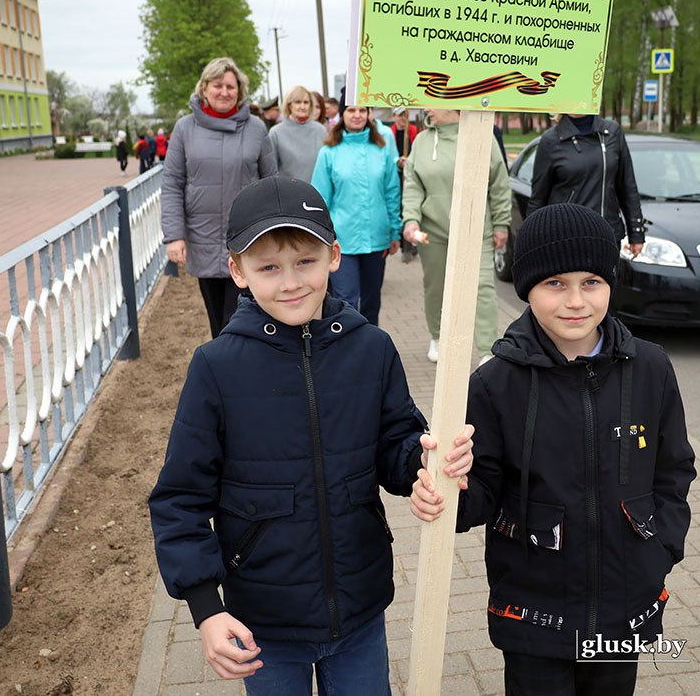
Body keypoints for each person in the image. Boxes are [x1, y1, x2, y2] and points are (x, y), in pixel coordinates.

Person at [149, 175, 475, 695]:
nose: (290, 282)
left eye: (306, 261)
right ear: (236, 271)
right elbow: (180, 498)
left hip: (360, 608)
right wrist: (207, 610)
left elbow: (396, 443)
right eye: (269, 268)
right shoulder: (216, 367)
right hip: (264, 622)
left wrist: (423, 461)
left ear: (334, 256)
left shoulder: (372, 348)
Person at [411, 203, 695, 696]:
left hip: (625, 601)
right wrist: (447, 489)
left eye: (591, 282)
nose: (576, 301)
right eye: (555, 284)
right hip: (533, 611)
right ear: (527, 289)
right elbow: (478, 494)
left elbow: (674, 469)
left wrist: (661, 547)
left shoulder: (650, 368)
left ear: (611, 283)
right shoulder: (494, 383)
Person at [161, 57, 276, 338]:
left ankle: (247, 370)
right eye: (217, 85)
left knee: (244, 316)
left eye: (231, 86)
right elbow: (172, 183)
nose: (224, 92)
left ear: (240, 91)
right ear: (204, 88)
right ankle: (227, 374)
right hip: (204, 239)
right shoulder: (185, 129)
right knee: (218, 322)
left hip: (248, 239)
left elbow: (272, 183)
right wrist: (174, 235)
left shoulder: (256, 128)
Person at [402, 108, 510, 364]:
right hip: (433, 230)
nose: (426, 108)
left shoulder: (482, 135)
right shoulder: (422, 141)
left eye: (432, 101)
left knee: (482, 288)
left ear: (451, 103)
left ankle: (486, 350)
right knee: (436, 286)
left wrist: (502, 223)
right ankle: (438, 337)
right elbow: (413, 184)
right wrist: (411, 219)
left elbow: (498, 182)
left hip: (476, 227)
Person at [311, 92, 401, 327]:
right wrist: (324, 237)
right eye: (351, 110)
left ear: (370, 114)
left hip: (377, 238)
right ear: (343, 114)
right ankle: (346, 349)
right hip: (343, 240)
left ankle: (372, 350)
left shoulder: (381, 149)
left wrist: (395, 231)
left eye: (363, 110)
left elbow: (392, 192)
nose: (357, 115)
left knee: (372, 301)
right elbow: (320, 199)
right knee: (346, 300)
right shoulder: (329, 152)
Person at [527, 114, 645, 257]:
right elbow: (538, 197)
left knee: (605, 279)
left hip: (607, 236)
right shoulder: (551, 140)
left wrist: (636, 233)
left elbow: (627, 186)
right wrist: (531, 241)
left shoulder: (612, 132)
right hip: (565, 239)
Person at [268, 85, 327, 183]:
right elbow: (271, 170)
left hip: (317, 192)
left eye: (306, 102)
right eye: (298, 102)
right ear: (289, 105)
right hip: (288, 193)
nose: (302, 107)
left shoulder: (321, 130)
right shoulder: (276, 133)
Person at [391, 108, 419, 264]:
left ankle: (413, 243)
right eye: (399, 115)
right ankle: (405, 247)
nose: (402, 119)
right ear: (394, 116)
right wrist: (398, 161)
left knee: (411, 209)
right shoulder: (390, 133)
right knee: (400, 210)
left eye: (405, 115)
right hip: (397, 176)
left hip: (411, 175)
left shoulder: (414, 131)